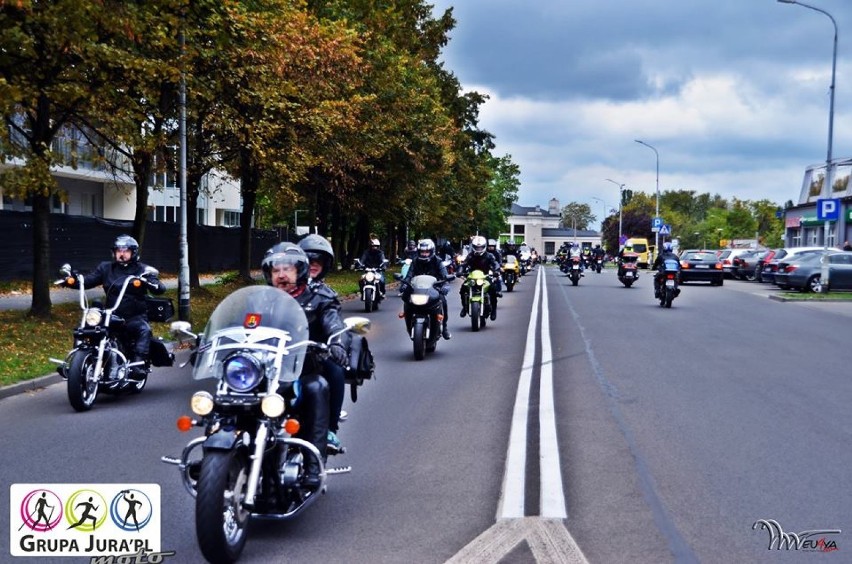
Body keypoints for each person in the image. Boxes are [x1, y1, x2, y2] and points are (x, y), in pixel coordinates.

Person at [262, 242, 350, 488]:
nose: (281, 274)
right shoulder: (262, 300)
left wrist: (336, 342)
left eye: (287, 269)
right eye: (276, 270)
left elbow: (332, 321)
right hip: (265, 371)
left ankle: (314, 462)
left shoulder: (320, 297)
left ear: (298, 271)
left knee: (317, 387)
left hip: (303, 368)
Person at [62, 234, 165, 378]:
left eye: (125, 251)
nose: (121, 254)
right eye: (119, 251)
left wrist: (150, 282)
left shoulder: (142, 270)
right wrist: (72, 280)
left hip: (134, 316)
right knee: (87, 328)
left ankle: (137, 365)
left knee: (144, 330)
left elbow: (160, 287)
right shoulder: (106, 268)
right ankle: (76, 364)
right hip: (111, 315)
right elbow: (89, 280)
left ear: (133, 252)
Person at [298, 234, 346, 453]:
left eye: (319, 261)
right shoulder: (278, 290)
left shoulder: (324, 295)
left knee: (335, 370)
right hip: (277, 354)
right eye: (309, 260)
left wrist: (336, 342)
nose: (313, 265)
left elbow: (333, 321)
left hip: (313, 354)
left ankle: (329, 429)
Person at [402, 238, 452, 339]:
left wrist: (445, 285)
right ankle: (409, 323)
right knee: (406, 300)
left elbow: (444, 275)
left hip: (434, 289)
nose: (424, 254)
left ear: (431, 251)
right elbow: (409, 275)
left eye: (427, 252)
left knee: (443, 301)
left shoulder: (437, 261)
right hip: (417, 289)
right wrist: (404, 284)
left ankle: (445, 328)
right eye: (422, 252)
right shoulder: (415, 261)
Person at [458, 235, 501, 320]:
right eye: (477, 247)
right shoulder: (470, 256)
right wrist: (460, 271)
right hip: (472, 278)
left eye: (480, 247)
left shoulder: (489, 256)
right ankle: (464, 307)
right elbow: (464, 264)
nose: (479, 249)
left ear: (484, 247)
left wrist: (496, 270)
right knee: (463, 289)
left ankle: (493, 310)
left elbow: (495, 263)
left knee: (493, 290)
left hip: (485, 277)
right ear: (473, 247)